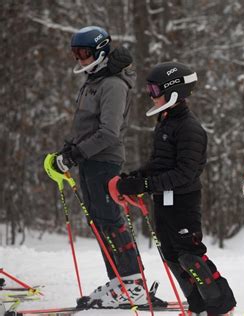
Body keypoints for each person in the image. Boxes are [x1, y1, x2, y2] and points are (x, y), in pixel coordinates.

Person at [109, 61, 236, 316]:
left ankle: (222, 307)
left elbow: (184, 173)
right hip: (164, 201)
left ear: (174, 91)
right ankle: (198, 306)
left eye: (156, 90)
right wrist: (133, 178)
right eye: (150, 90)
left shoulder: (190, 128)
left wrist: (144, 185)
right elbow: (159, 164)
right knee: (171, 255)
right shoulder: (166, 121)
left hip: (183, 202)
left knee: (190, 255)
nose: (151, 96)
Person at [48, 26, 147, 308]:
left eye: (85, 53)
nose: (80, 59)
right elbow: (84, 125)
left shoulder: (113, 84)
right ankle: (118, 280)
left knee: (110, 220)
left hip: (104, 160)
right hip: (89, 160)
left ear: (101, 51)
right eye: (75, 53)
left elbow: (109, 132)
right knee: (98, 222)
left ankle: (133, 282)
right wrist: (66, 151)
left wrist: (76, 154)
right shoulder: (93, 80)